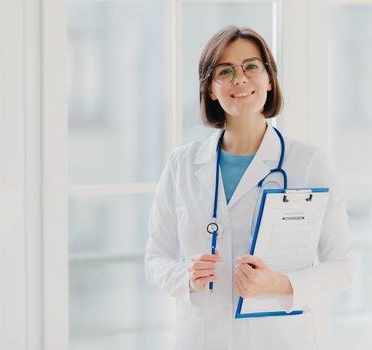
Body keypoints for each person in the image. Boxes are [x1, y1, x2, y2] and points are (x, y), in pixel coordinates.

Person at [144, 25, 354, 350]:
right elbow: (155, 258)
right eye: (224, 71)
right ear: (211, 89)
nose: (239, 79)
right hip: (201, 338)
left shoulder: (309, 164)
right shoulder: (181, 165)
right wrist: (185, 276)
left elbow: (341, 267)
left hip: (278, 339)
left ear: (269, 79)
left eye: (251, 67)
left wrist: (280, 283)